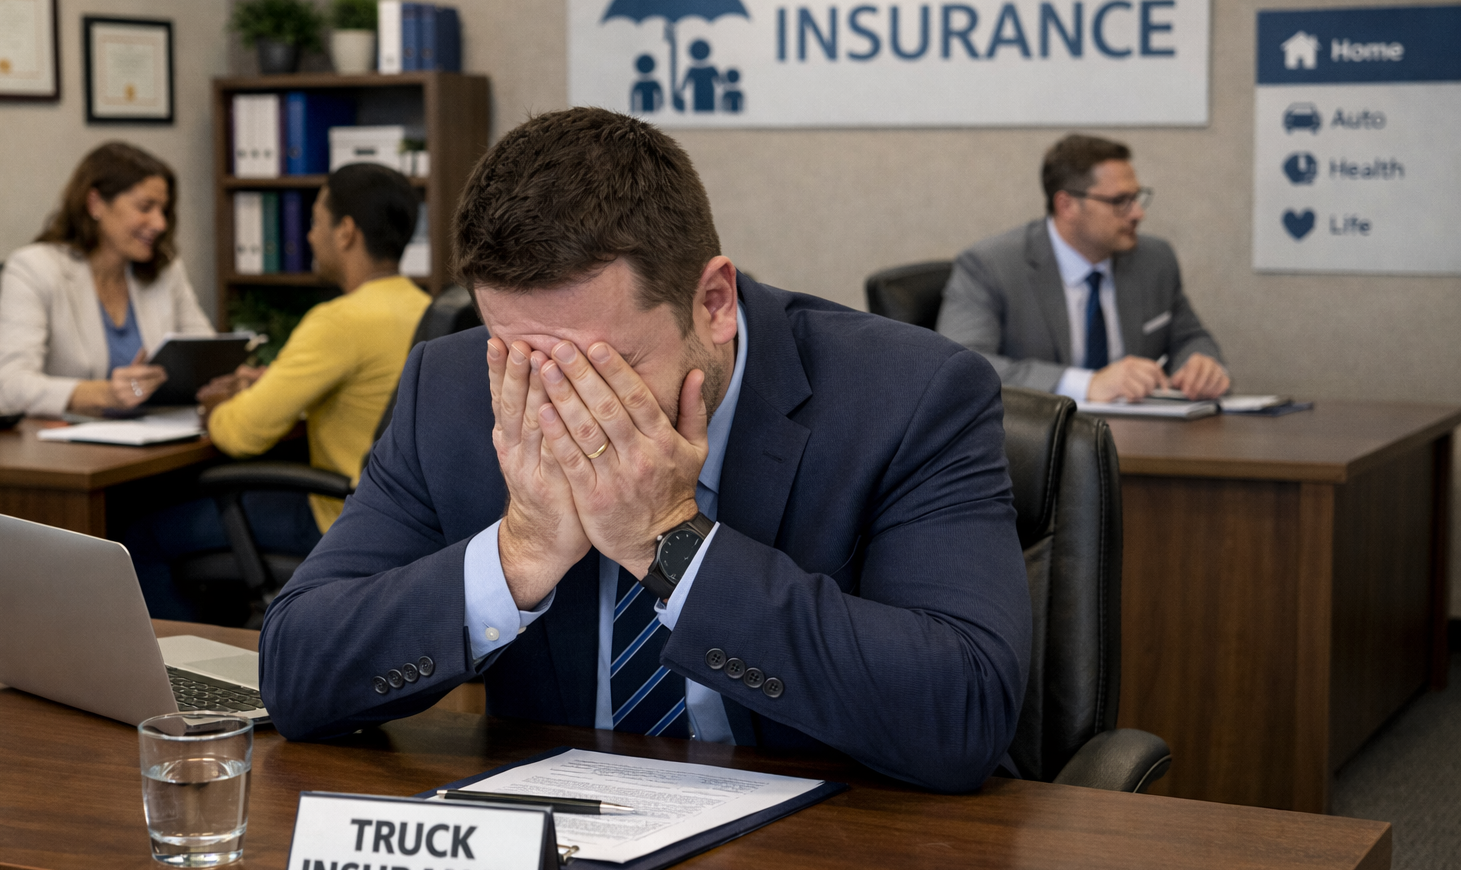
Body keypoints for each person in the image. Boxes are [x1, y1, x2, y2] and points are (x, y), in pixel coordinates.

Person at [259, 108, 1031, 794]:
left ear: (714, 302)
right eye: (528, 363)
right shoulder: (454, 390)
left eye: (608, 371)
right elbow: (297, 675)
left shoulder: (912, 395)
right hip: (563, 863)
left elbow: (961, 714)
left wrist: (672, 542)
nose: (568, 410)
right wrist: (516, 554)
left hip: (832, 861)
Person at [121, 163, 431, 621]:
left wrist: (219, 406)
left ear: (345, 232)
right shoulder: (422, 307)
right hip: (403, 526)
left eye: (315, 222)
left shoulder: (339, 320)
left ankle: (173, 680)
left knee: (136, 538)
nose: (309, 237)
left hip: (337, 520)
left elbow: (242, 435)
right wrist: (275, 385)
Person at [937, 134, 1229, 403]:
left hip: (1141, 439)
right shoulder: (990, 266)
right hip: (1034, 448)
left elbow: (1189, 337)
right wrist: (1087, 384)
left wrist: (1200, 362)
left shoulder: (1154, 260)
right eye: (1120, 201)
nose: (1138, 214)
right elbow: (959, 368)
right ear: (1067, 206)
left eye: (1136, 198)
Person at [0, 142, 213, 417]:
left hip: (159, 441)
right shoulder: (34, 268)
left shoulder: (166, 269)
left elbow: (204, 355)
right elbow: (6, 387)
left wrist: (230, 378)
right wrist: (105, 393)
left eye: (163, 210)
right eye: (145, 207)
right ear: (95, 204)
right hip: (69, 449)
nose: (159, 224)